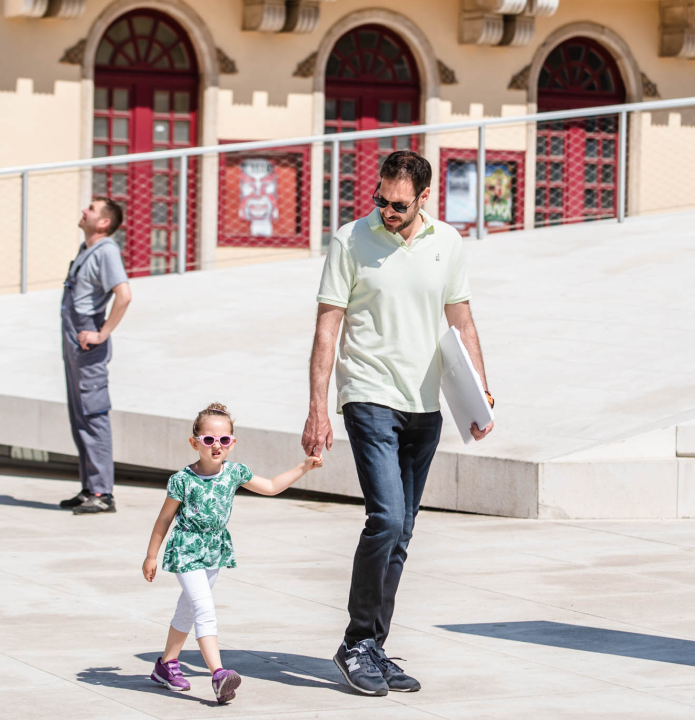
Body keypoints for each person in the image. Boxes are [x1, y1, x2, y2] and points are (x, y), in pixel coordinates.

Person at [303, 150, 494, 696]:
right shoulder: (349, 240)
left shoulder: (448, 244)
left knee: (404, 532)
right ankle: (356, 642)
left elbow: (461, 320)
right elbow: (326, 329)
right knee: (385, 519)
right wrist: (319, 406)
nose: (387, 210)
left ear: (424, 199)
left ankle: (374, 646)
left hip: (425, 405)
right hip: (368, 395)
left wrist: (481, 392)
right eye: (380, 199)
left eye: (399, 205)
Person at [142, 403, 323, 705]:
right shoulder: (182, 480)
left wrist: (302, 467)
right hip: (186, 549)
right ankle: (219, 674)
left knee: (188, 609)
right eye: (209, 439)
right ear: (195, 442)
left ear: (232, 443)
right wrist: (151, 556)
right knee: (204, 608)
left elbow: (270, 486)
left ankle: (166, 665)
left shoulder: (235, 473)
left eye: (224, 440)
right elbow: (164, 520)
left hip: (213, 550)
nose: (216, 446)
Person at [58, 197, 132, 514]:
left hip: (88, 339)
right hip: (74, 339)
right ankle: (90, 487)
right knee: (80, 416)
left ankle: (103, 494)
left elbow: (124, 295)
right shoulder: (86, 249)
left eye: (91, 208)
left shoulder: (107, 251)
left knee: (94, 414)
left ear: (103, 222)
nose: (84, 210)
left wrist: (102, 333)